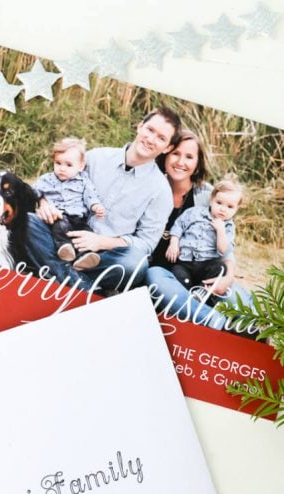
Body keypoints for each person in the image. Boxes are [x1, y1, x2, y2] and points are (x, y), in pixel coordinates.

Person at [26, 106, 182, 293]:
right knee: (27, 222)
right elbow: (55, 179)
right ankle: (86, 289)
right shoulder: (96, 157)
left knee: (135, 264)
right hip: (63, 232)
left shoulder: (160, 191)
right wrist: (44, 203)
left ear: (168, 148)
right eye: (150, 130)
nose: (151, 139)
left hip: (104, 256)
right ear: (140, 126)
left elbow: (146, 243)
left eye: (161, 138)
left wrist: (101, 242)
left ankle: (56, 272)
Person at [146, 131, 251, 329]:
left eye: (189, 157)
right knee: (155, 279)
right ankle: (210, 318)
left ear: (197, 163)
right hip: (167, 273)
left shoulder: (208, 196)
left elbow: (227, 248)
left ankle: (251, 331)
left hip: (206, 272)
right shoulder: (150, 186)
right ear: (166, 153)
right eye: (176, 153)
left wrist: (228, 277)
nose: (180, 162)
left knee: (241, 306)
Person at [32, 137, 105, 265]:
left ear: (81, 166)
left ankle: (85, 256)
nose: (62, 168)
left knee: (86, 232)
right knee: (60, 226)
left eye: (69, 165)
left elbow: (90, 196)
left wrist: (96, 206)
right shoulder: (47, 180)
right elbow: (34, 192)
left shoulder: (83, 181)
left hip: (79, 218)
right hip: (58, 216)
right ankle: (65, 248)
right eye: (58, 163)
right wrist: (39, 199)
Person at [166, 176, 243, 291]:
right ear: (211, 199)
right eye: (219, 203)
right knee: (177, 273)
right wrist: (174, 243)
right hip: (185, 262)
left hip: (207, 264)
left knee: (220, 268)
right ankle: (183, 292)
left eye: (230, 207)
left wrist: (220, 231)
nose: (223, 209)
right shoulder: (194, 213)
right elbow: (178, 226)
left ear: (237, 209)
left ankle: (201, 293)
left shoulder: (228, 226)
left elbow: (224, 251)